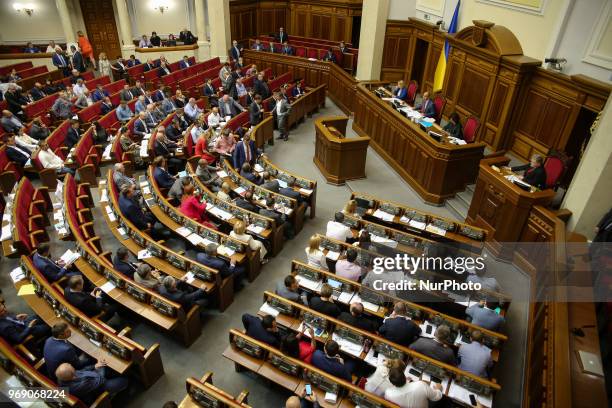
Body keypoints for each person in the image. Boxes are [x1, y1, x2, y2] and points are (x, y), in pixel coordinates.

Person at [55, 362, 129, 404]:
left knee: (106, 367)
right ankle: (111, 394)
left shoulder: (63, 376)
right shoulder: (79, 386)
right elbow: (101, 380)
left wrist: (94, 366)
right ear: (73, 376)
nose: (70, 364)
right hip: (100, 388)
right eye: (69, 366)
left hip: (93, 379)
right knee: (125, 380)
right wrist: (100, 368)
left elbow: (82, 371)